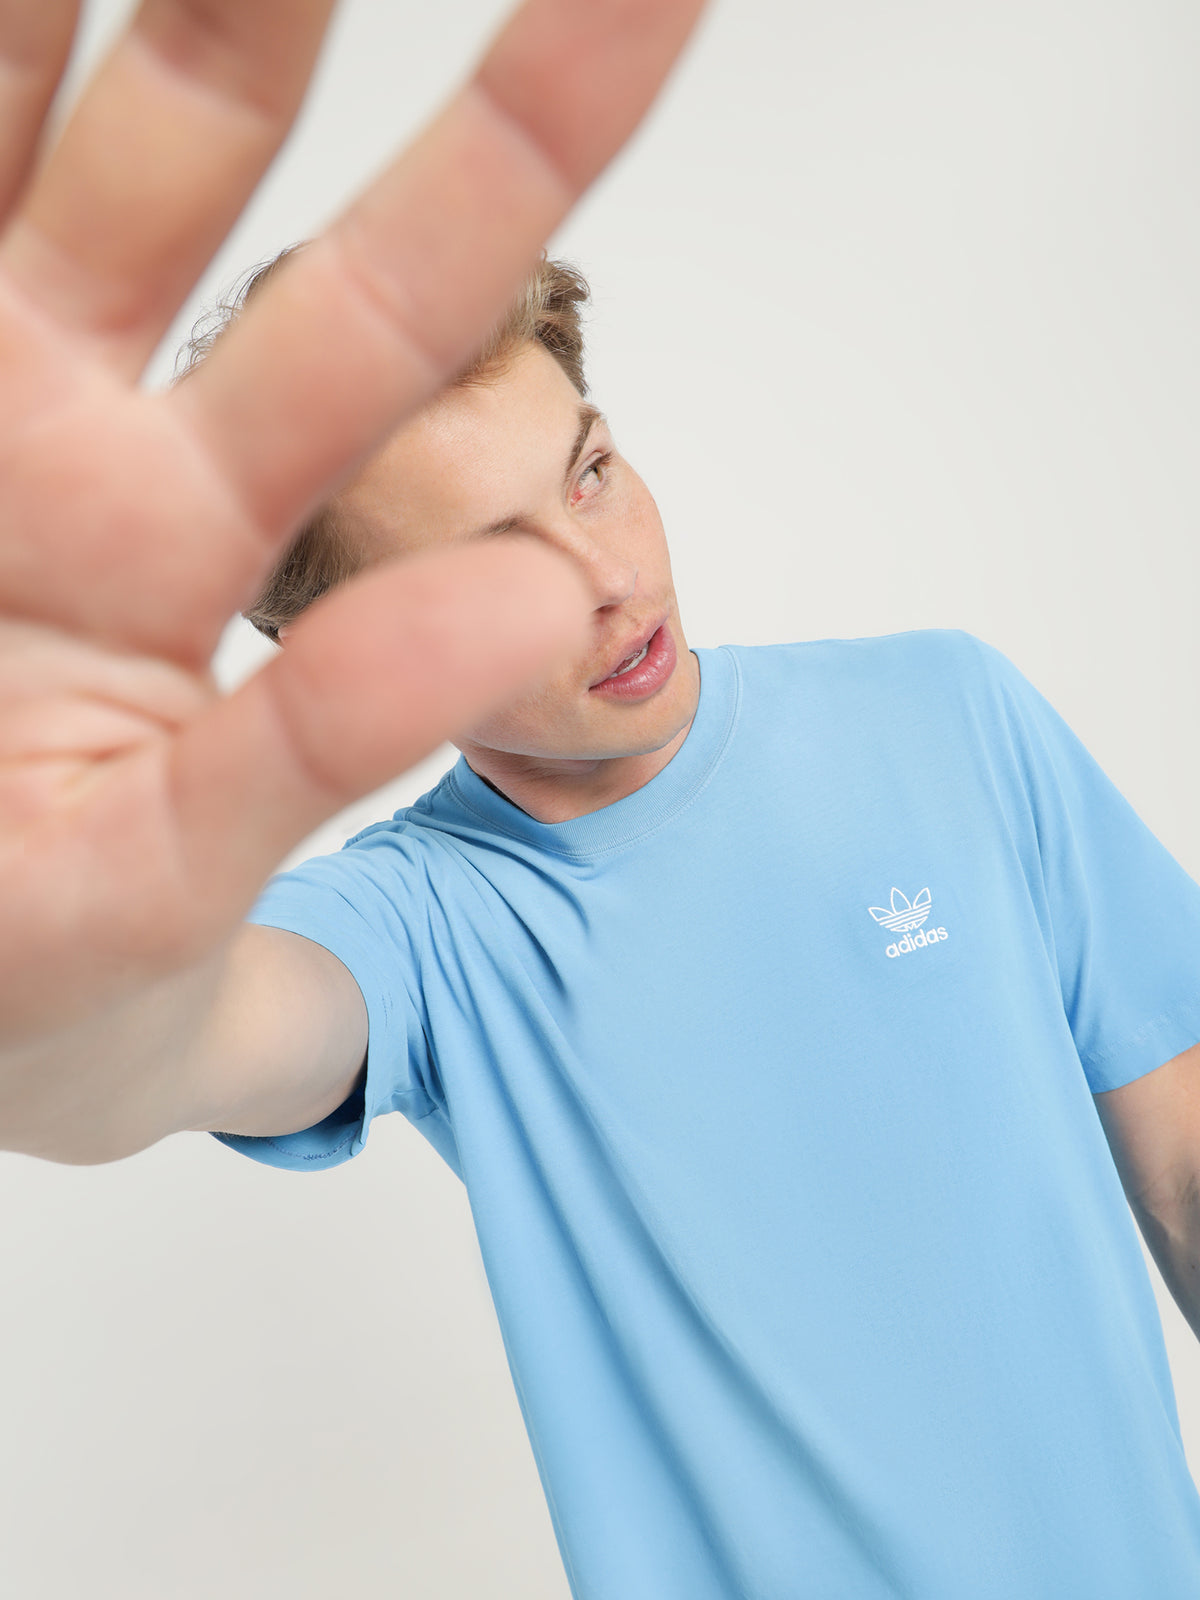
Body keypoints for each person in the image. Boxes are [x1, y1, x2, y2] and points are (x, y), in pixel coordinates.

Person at [4, 3, 1200, 1598]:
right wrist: (54, 993)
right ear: (344, 646)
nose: (610, 582)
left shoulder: (949, 710)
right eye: (490, 566)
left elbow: (1184, 1164)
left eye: (587, 470)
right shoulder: (417, 922)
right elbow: (144, 1057)